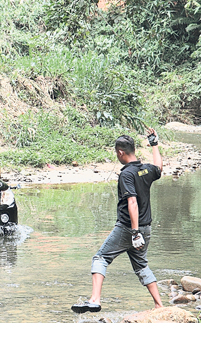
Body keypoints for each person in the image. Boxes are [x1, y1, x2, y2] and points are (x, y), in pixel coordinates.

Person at [71, 128, 163, 313]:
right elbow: (159, 168)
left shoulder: (127, 174)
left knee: (100, 258)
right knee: (141, 265)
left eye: (117, 153)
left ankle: (95, 300)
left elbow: (132, 202)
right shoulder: (146, 169)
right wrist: (154, 144)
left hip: (129, 229)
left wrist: (134, 232)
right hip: (146, 229)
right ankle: (159, 305)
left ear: (120, 152)